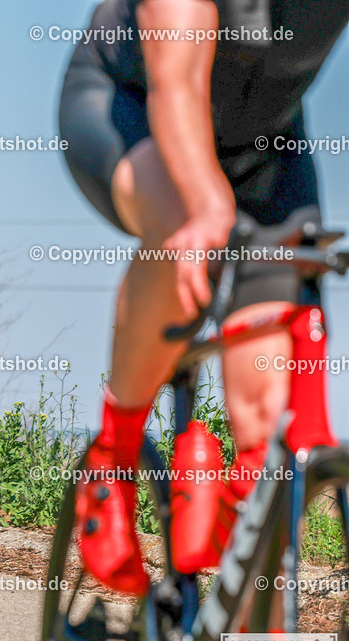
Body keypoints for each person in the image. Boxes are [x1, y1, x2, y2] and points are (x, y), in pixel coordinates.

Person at [58, 0, 349, 594]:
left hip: (265, 144)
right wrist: (208, 206)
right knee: (182, 236)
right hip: (133, 107)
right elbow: (179, 82)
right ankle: (112, 458)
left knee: (268, 423)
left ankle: (238, 622)